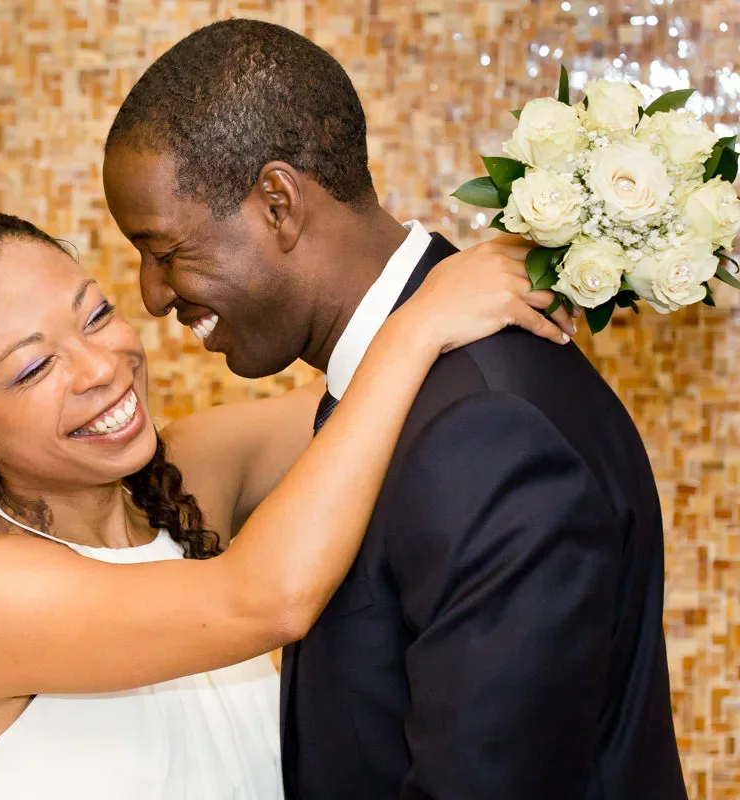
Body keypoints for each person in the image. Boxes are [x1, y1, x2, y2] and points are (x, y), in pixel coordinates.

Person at [101, 18, 686, 800]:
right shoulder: (399, 377)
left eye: (166, 251)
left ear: (277, 203)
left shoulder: (483, 432)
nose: (151, 293)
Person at [0, 211, 569, 799]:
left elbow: (355, 397)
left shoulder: (178, 482)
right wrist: (424, 321)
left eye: (97, 315)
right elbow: (267, 601)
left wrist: (572, 237)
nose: (102, 367)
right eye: (37, 365)